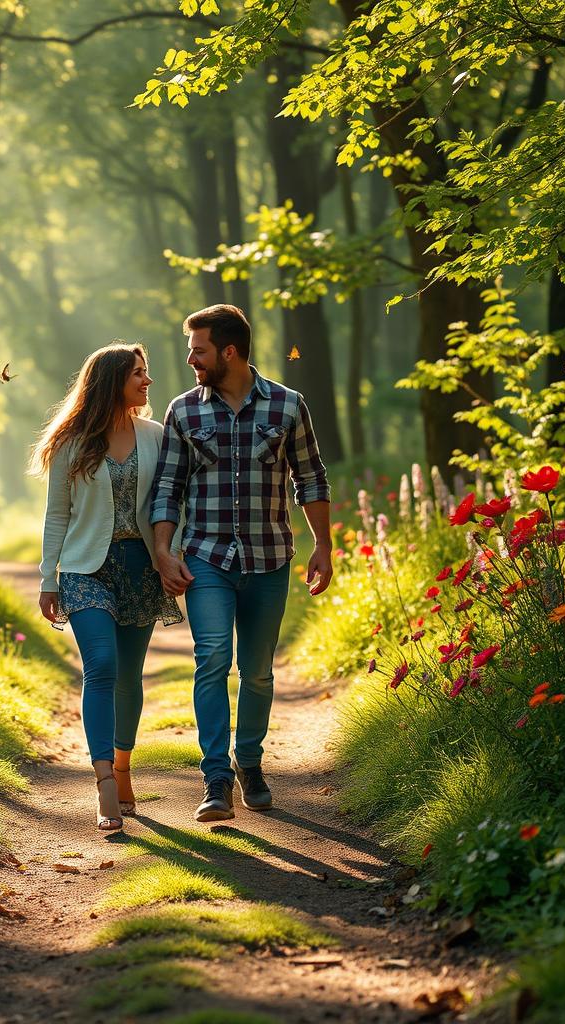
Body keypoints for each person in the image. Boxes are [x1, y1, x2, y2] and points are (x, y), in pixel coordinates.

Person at [151, 304, 333, 823]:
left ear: (229, 351)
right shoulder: (184, 411)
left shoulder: (288, 406)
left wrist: (323, 545)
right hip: (206, 558)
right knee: (212, 658)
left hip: (270, 557)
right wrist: (164, 551)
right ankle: (215, 779)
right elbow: (169, 486)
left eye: (199, 349)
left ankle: (249, 764)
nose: (191, 358)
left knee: (256, 672)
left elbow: (312, 479)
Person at [31, 343, 182, 831]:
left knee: (129, 677)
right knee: (101, 666)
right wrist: (48, 578)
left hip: (139, 568)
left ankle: (122, 768)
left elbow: (170, 503)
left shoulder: (157, 437)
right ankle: (104, 788)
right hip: (84, 569)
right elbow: (57, 515)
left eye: (147, 372)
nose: (147, 381)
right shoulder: (71, 442)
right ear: (113, 379)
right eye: (139, 373)